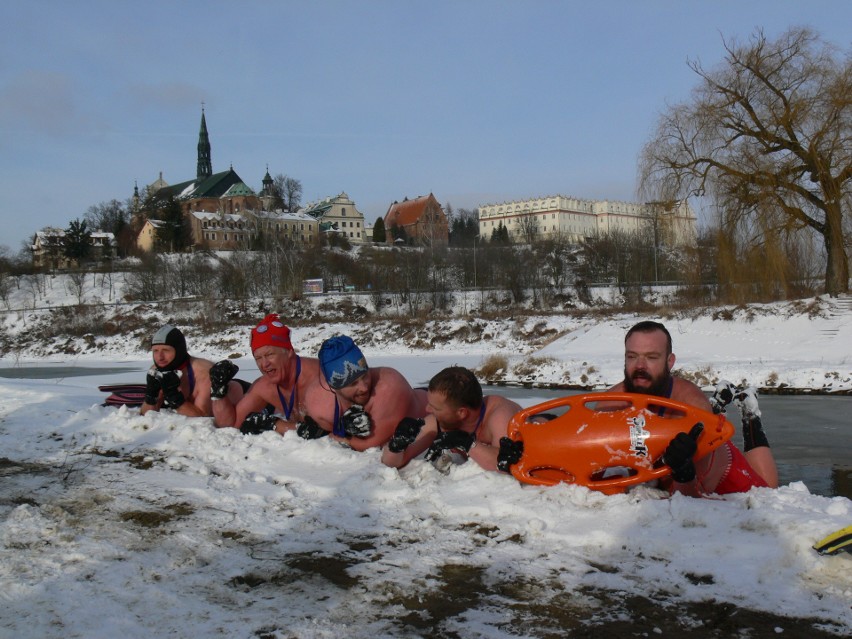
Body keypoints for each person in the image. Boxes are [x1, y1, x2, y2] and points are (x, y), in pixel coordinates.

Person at [608, 320, 778, 496]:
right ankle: (716, 409)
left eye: (651, 357)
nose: (640, 366)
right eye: (632, 356)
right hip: (674, 474)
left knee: (768, 492)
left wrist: (683, 472)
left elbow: (694, 494)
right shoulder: (609, 403)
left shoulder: (689, 401)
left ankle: (750, 414)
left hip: (723, 478)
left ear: (669, 361)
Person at [381, 366, 521, 472]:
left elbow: (505, 463)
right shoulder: (441, 421)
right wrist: (397, 444)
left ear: (462, 413)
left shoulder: (500, 416)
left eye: (435, 408)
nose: (427, 410)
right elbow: (391, 462)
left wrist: (464, 442)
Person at [211, 313, 331, 436]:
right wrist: (217, 391)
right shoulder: (264, 386)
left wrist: (275, 424)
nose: (264, 364)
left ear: (289, 352)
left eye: (270, 355)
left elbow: (331, 430)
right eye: (258, 358)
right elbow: (231, 425)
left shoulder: (320, 375)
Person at [307, 335, 428, 451]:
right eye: (353, 384)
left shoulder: (389, 385)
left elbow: (369, 445)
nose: (364, 387)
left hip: (431, 404)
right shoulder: (318, 402)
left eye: (365, 376)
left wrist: (334, 435)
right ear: (333, 386)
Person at [140, 324, 243, 421]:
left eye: (166, 350)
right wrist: (151, 397)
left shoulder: (204, 371)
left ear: (179, 350)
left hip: (243, 394)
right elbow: (146, 416)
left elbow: (202, 417)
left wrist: (175, 398)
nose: (160, 357)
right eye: (155, 351)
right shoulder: (156, 370)